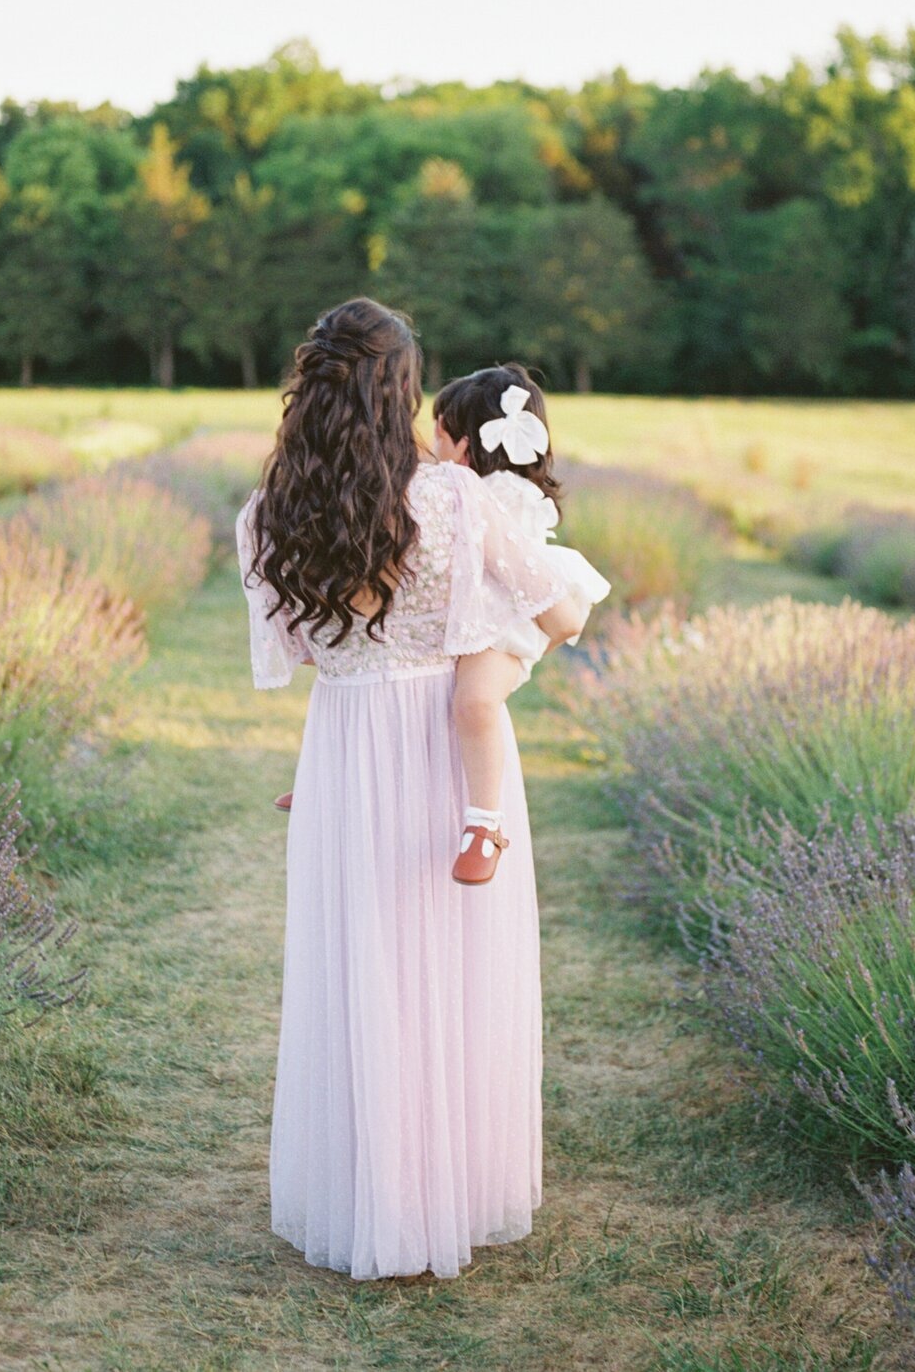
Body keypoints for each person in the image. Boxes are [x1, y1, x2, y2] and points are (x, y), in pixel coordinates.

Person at [236, 297, 585, 1280]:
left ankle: (368, 1196)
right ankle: (445, 1194)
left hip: (346, 746)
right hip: (441, 745)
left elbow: (301, 649)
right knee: (453, 971)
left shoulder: (270, 514)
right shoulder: (456, 501)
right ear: (403, 393)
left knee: (361, 970)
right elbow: (557, 608)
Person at [431, 364, 611, 885]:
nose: (432, 447)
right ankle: (328, 778)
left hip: (503, 622)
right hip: (474, 613)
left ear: (466, 446)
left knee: (475, 702)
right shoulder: (469, 487)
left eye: (440, 435)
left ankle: (485, 824)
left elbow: (511, 572)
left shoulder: (499, 493)